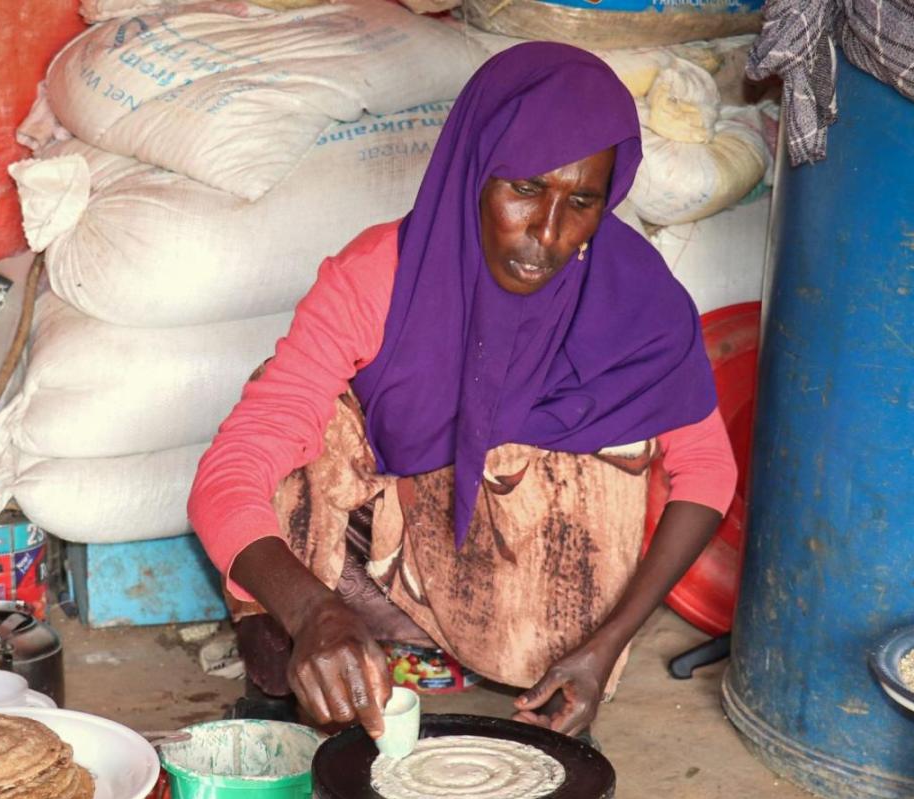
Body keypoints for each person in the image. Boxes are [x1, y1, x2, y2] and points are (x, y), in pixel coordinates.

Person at [187, 42, 737, 743]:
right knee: (295, 413)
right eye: (526, 189)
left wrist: (609, 646)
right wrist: (307, 612)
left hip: (518, 590)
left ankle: (548, 666)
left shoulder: (640, 300)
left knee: (618, 443)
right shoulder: (376, 277)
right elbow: (227, 473)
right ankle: (300, 660)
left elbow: (709, 472)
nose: (547, 234)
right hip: (375, 562)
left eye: (583, 201)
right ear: (474, 171)